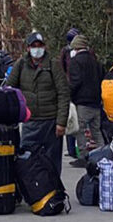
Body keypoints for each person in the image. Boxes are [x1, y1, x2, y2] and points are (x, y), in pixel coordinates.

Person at [8, 32, 70, 175]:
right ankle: (30, 189)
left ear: (44, 47)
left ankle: (53, 191)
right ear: (28, 48)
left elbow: (63, 93)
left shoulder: (53, 65)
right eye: (33, 46)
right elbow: (10, 89)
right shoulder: (21, 64)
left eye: (40, 46)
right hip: (30, 121)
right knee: (26, 158)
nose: (37, 49)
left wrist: (61, 122)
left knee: (51, 161)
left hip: (50, 121)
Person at [67, 35, 105, 168]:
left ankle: (83, 156)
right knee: (96, 130)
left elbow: (75, 82)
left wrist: (69, 96)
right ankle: (104, 154)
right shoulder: (96, 62)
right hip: (96, 101)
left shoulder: (75, 62)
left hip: (82, 102)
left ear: (75, 48)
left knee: (81, 130)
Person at [60, 28, 81, 160]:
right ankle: (71, 148)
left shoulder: (84, 51)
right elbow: (61, 67)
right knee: (71, 117)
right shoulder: (65, 52)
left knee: (80, 120)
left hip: (80, 88)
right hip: (70, 87)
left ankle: (79, 148)